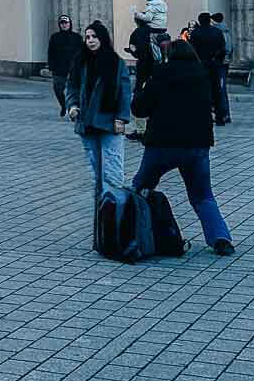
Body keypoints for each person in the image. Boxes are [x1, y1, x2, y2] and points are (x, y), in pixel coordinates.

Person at [131, 39, 235, 255]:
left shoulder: (161, 74)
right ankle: (221, 238)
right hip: (197, 146)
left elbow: (139, 108)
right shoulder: (202, 75)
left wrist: (142, 91)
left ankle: (131, 232)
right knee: (203, 196)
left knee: (140, 187)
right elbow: (216, 102)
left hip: (162, 145)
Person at [66, 21, 131, 200]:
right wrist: (72, 106)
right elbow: (71, 86)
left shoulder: (115, 62)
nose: (90, 40)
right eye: (87, 37)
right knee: (97, 175)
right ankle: (101, 216)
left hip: (109, 122)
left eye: (94, 37)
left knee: (112, 172)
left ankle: (116, 212)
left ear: (102, 38)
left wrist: (121, 118)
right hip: (86, 123)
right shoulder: (80, 61)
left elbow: (125, 91)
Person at [189, 13, 229, 126]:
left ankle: (202, 117)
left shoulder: (196, 33)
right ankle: (220, 117)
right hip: (214, 65)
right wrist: (217, 60)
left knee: (200, 91)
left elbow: (192, 50)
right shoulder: (217, 32)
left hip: (200, 65)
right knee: (217, 92)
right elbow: (222, 49)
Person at [47, 15, 81, 117]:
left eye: (66, 23)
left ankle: (73, 108)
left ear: (70, 24)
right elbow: (51, 52)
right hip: (59, 68)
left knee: (74, 90)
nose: (64, 25)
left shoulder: (77, 38)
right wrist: (51, 65)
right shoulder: (55, 37)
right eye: (62, 23)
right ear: (59, 25)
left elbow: (82, 52)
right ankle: (63, 105)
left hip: (74, 69)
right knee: (58, 89)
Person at [211, 12, 233, 125]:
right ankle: (225, 114)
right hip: (224, 62)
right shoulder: (227, 31)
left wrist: (225, 57)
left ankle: (223, 114)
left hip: (220, 63)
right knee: (221, 88)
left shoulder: (219, 31)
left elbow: (227, 48)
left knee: (220, 88)